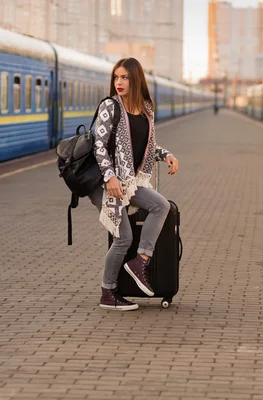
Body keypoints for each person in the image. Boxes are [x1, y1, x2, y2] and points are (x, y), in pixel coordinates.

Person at [89, 57, 179, 311]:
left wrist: (166, 155)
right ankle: (108, 293)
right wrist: (110, 177)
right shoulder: (110, 106)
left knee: (161, 206)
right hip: (108, 183)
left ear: (136, 79)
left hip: (130, 181)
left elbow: (147, 148)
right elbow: (99, 145)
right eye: (116, 77)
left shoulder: (146, 111)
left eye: (125, 77)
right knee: (123, 238)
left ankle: (140, 262)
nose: (119, 82)